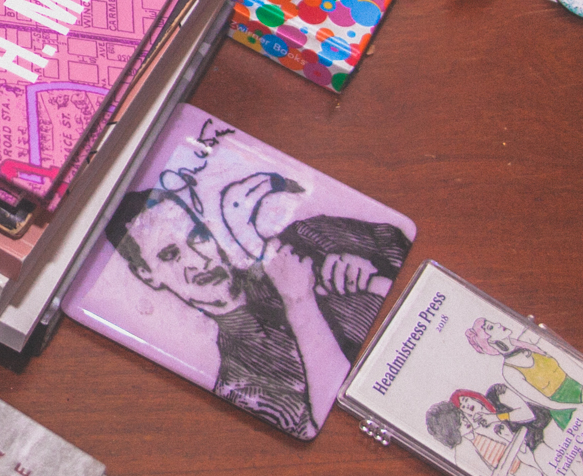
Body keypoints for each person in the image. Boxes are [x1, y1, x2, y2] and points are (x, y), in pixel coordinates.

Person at [100, 187, 410, 437]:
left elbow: (409, 256)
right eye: (170, 255)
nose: (198, 260)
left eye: (197, 237)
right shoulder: (240, 384)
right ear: (146, 275)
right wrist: (300, 304)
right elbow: (332, 426)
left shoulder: (308, 236)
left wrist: (376, 278)